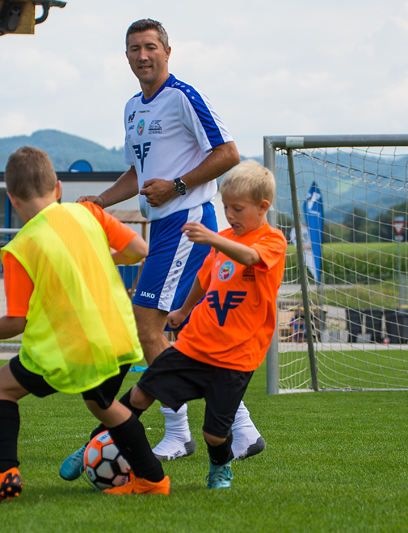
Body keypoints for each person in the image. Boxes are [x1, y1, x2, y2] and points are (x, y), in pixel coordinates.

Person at [74, 18, 263, 465]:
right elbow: (138, 174)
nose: (143, 55)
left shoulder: (183, 97)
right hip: (163, 228)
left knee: (148, 326)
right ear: (126, 56)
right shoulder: (132, 108)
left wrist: (177, 186)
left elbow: (228, 153)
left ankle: (178, 434)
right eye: (134, 49)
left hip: (187, 222)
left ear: (167, 51)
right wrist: (100, 201)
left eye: (150, 47)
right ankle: (243, 429)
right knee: (189, 337)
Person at [0, 146, 170, 501]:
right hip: (117, 338)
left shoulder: (21, 247)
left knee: (1, 388)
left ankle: (5, 474)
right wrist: (105, 258)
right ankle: (153, 479)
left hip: (68, 348)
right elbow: (138, 250)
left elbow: (16, 322)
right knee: (103, 406)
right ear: (58, 188)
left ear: (12, 199)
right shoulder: (89, 213)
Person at [79, 160, 285, 491]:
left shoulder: (272, 241)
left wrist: (213, 238)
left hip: (235, 357)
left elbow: (249, 258)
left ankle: (220, 466)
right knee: (141, 393)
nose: (230, 215)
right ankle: (97, 442)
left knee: (213, 434)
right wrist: (182, 310)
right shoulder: (223, 240)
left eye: (238, 209)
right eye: (226, 207)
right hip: (193, 344)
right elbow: (204, 280)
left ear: (263, 207)